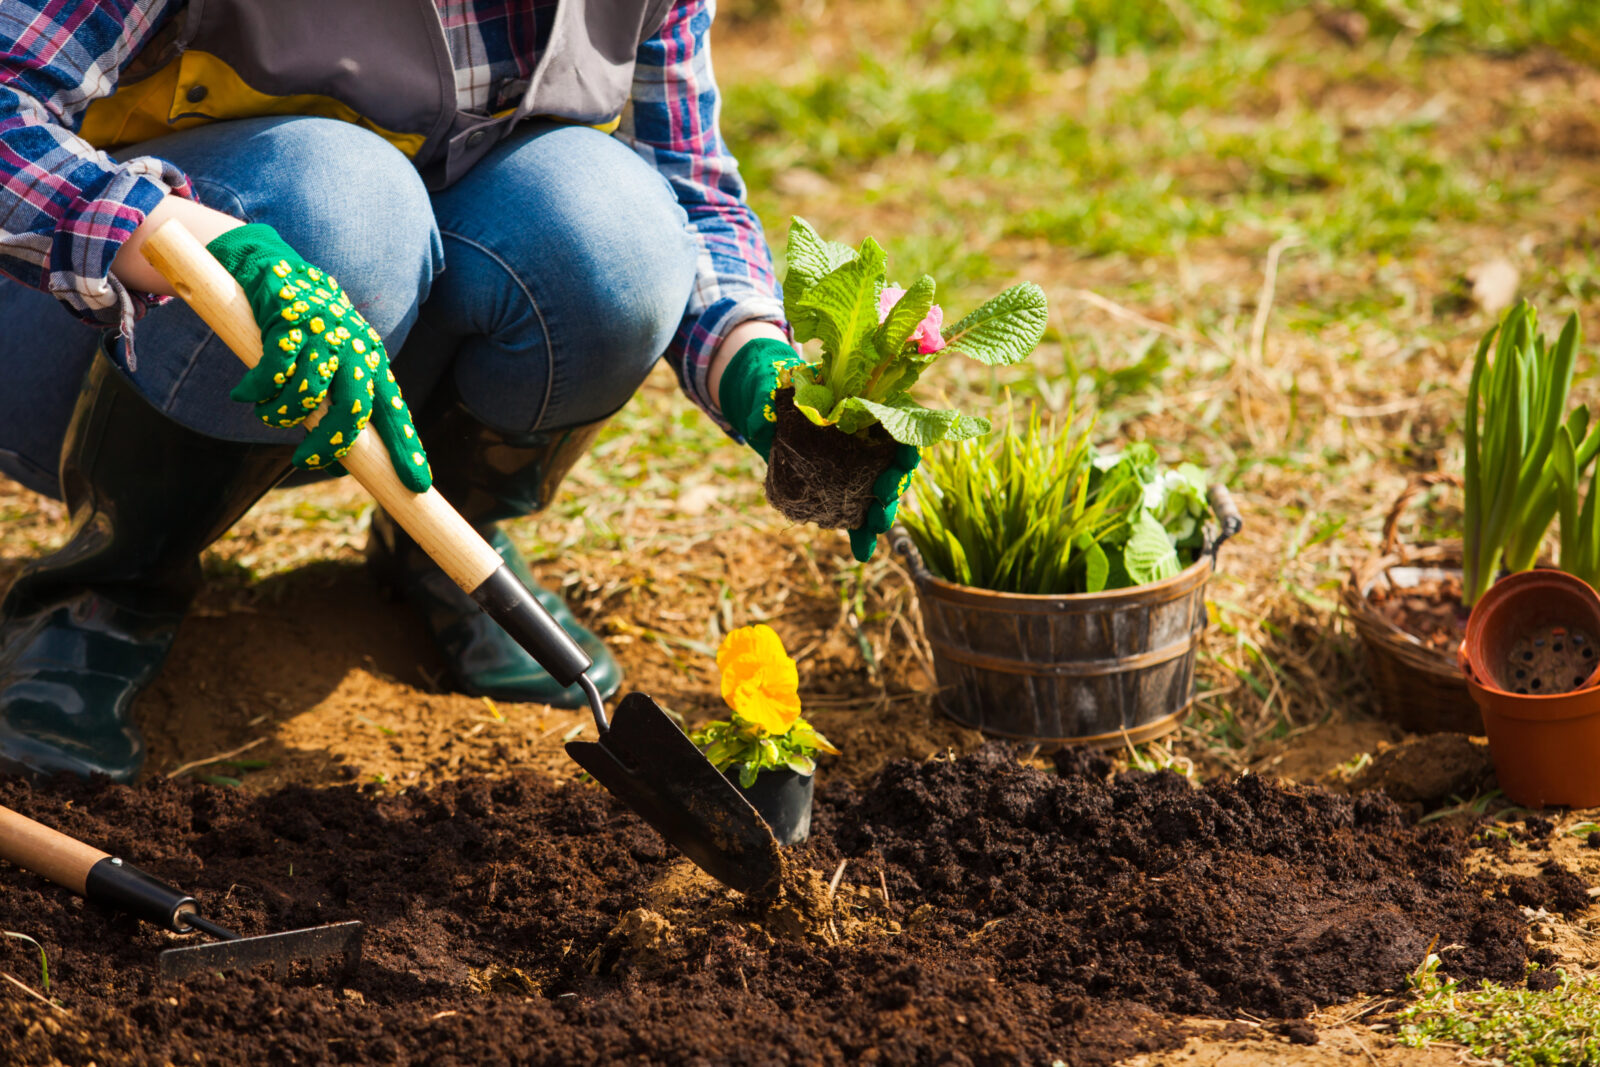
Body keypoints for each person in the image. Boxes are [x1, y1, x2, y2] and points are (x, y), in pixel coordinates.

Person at [0, 0, 917, 783]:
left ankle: (445, 548)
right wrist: (179, 232)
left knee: (618, 234)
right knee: (349, 206)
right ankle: (107, 587)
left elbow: (688, 190)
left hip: (376, 345)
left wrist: (759, 370)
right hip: (87, 330)